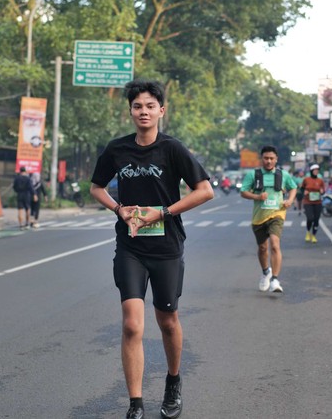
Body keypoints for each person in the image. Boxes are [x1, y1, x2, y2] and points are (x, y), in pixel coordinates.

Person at [90, 79, 214, 419]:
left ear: (161, 111)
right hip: (130, 247)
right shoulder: (117, 149)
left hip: (167, 247)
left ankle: (173, 382)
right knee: (132, 325)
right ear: (130, 111)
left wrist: (164, 212)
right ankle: (136, 403)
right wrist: (118, 209)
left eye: (149, 106)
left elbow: (205, 190)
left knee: (168, 321)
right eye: (137, 106)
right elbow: (96, 187)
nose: (143, 111)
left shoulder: (172, 149)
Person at [240, 145, 297, 293]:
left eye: (272, 158)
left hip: (277, 214)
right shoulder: (253, 175)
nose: (269, 161)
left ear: (276, 159)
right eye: (266, 158)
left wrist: (290, 200)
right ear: (262, 159)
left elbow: (293, 187)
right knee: (262, 248)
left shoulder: (283, 175)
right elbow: (243, 192)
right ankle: (266, 271)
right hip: (259, 217)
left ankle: (275, 280)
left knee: (275, 244)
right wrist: (257, 196)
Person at [301, 164, 325, 243]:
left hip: (318, 202)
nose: (316, 172)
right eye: (315, 170)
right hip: (308, 202)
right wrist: (304, 191)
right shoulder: (306, 179)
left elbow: (323, 190)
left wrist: (322, 191)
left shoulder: (320, 181)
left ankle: (314, 235)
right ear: (311, 171)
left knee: (316, 219)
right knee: (310, 218)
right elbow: (302, 188)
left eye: (317, 170)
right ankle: (308, 232)